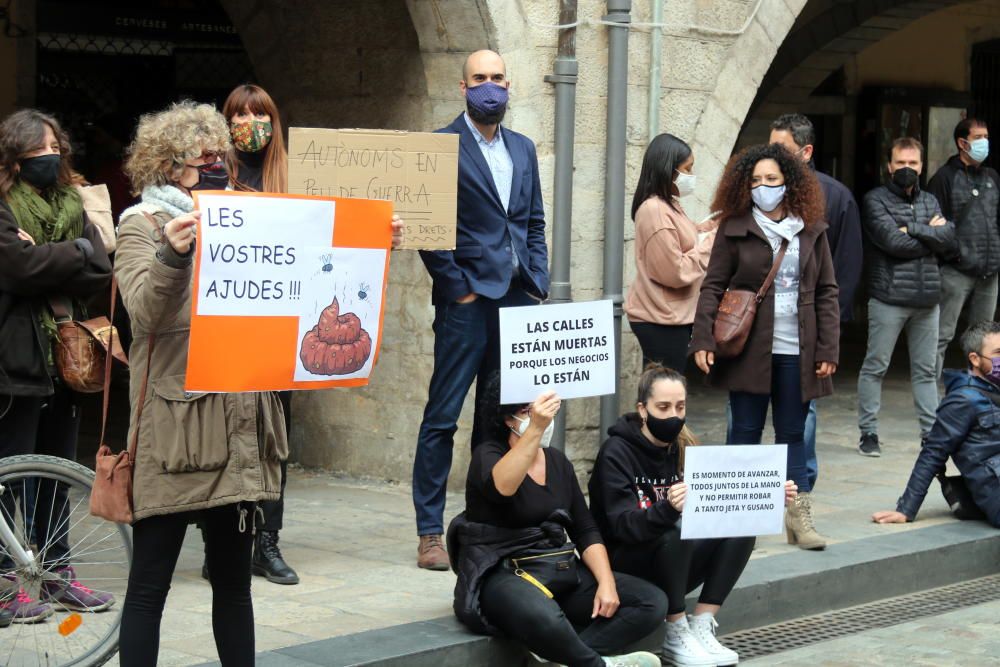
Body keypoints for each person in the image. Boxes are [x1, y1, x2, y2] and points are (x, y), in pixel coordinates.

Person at [115, 100, 285, 665]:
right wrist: (172, 254)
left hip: (234, 425)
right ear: (166, 166)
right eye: (199, 157)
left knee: (235, 585)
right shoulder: (140, 226)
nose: (214, 164)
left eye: (218, 154)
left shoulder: (246, 214)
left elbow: (309, 269)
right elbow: (142, 314)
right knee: (148, 590)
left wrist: (372, 243)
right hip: (176, 433)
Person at [414, 49, 549, 570]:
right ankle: (429, 532)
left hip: (517, 299)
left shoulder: (524, 148)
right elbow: (429, 229)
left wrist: (537, 278)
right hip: (466, 302)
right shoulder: (440, 147)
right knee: (443, 415)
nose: (489, 86)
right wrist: (458, 288)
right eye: (479, 79)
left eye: (497, 78)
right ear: (463, 86)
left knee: (499, 416)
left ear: (508, 85)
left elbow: (533, 220)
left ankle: (485, 518)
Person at [448, 373, 664, 667]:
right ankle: (599, 665)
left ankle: (563, 657)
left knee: (651, 602)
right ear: (507, 418)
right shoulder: (488, 454)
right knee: (542, 615)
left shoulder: (558, 462)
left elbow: (585, 530)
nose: (542, 417)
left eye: (544, 408)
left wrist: (606, 582)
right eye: (528, 411)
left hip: (555, 567)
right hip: (503, 572)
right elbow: (503, 487)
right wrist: (535, 426)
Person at [589, 364, 798, 666]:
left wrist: (765, 494)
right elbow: (624, 527)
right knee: (673, 530)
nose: (673, 415)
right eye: (663, 407)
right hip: (626, 563)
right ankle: (675, 628)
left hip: (671, 560)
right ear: (642, 409)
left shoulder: (682, 448)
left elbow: (721, 500)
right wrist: (667, 508)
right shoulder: (616, 452)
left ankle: (701, 624)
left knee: (740, 524)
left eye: (680, 406)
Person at [691, 143, 839, 551]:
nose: (763, 187)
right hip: (747, 348)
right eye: (755, 180)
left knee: (793, 432)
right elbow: (713, 287)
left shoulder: (811, 228)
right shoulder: (735, 227)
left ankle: (798, 515)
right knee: (745, 429)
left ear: (789, 181)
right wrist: (703, 337)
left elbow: (827, 290)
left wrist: (828, 348)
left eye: (771, 179)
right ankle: (739, 520)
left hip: (799, 347)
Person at [0, 109, 115, 622]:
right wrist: (76, 252)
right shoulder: (3, 204)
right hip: (15, 361)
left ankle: (55, 576)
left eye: (54, 146)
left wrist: (57, 252)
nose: (48, 156)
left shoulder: (73, 201)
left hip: (64, 363)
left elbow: (101, 268)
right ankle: (5, 585)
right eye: (37, 148)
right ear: (15, 156)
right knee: (10, 476)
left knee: (55, 475)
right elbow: (17, 270)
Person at [769, 113, 862, 489]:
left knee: (801, 415)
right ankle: (744, 492)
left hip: (806, 330)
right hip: (762, 329)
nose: (770, 157)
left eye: (781, 150)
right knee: (742, 413)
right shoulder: (761, 193)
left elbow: (846, 267)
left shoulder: (835, 197)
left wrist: (828, 331)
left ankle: (799, 486)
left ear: (805, 152)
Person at [856, 137, 956, 457]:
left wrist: (911, 229)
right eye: (901, 163)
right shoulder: (874, 200)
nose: (907, 169)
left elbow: (949, 240)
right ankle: (868, 432)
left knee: (927, 372)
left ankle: (930, 434)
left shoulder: (930, 200)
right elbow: (892, 243)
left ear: (922, 166)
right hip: (888, 297)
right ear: (889, 166)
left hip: (927, 300)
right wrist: (930, 232)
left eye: (913, 163)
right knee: (876, 366)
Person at [873, 321, 1000, 528]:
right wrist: (906, 509)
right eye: (998, 353)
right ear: (975, 359)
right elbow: (933, 453)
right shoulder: (963, 400)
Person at [625, 134, 718, 373]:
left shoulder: (668, 204)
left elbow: (684, 238)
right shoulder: (655, 210)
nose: (691, 175)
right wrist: (712, 243)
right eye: (687, 169)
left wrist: (709, 228)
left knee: (666, 391)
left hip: (669, 316)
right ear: (668, 170)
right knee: (665, 394)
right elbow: (675, 272)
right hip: (660, 319)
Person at [927, 118, 1000, 378]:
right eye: (978, 137)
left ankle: (983, 389)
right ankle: (930, 392)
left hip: (989, 273)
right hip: (956, 272)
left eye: (986, 136)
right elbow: (935, 225)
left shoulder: (992, 177)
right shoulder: (944, 178)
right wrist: (954, 255)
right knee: (942, 334)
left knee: (986, 340)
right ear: (962, 142)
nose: (984, 142)